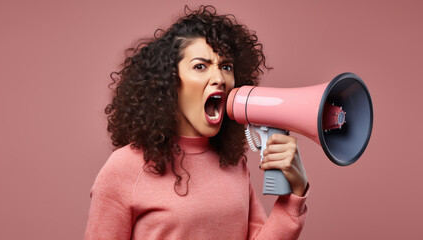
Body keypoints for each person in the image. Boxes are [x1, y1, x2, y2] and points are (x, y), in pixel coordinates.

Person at [84, 5, 308, 240]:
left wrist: (296, 194)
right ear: (170, 80)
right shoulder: (123, 168)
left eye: (226, 67)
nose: (219, 79)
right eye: (200, 66)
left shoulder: (234, 164)